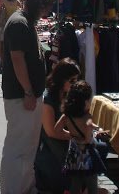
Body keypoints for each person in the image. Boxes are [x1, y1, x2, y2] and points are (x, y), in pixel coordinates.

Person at [0, 0, 55, 194]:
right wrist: (28, 92)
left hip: (28, 95)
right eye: (45, 9)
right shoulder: (19, 23)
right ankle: (13, 189)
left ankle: (25, 187)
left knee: (28, 147)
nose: (46, 13)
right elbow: (17, 59)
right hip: (21, 96)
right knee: (17, 148)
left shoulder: (26, 22)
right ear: (37, 5)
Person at [34, 57, 81, 193]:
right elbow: (51, 132)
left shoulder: (69, 95)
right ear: (62, 79)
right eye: (72, 81)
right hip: (51, 144)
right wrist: (75, 136)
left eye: (76, 80)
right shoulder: (48, 99)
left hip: (65, 139)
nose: (75, 84)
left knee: (97, 147)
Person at [54, 80, 105, 194]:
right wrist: (93, 132)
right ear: (86, 102)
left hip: (73, 155)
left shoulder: (66, 115)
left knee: (75, 184)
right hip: (87, 157)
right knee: (92, 185)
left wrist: (72, 136)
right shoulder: (87, 117)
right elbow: (87, 138)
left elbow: (57, 129)